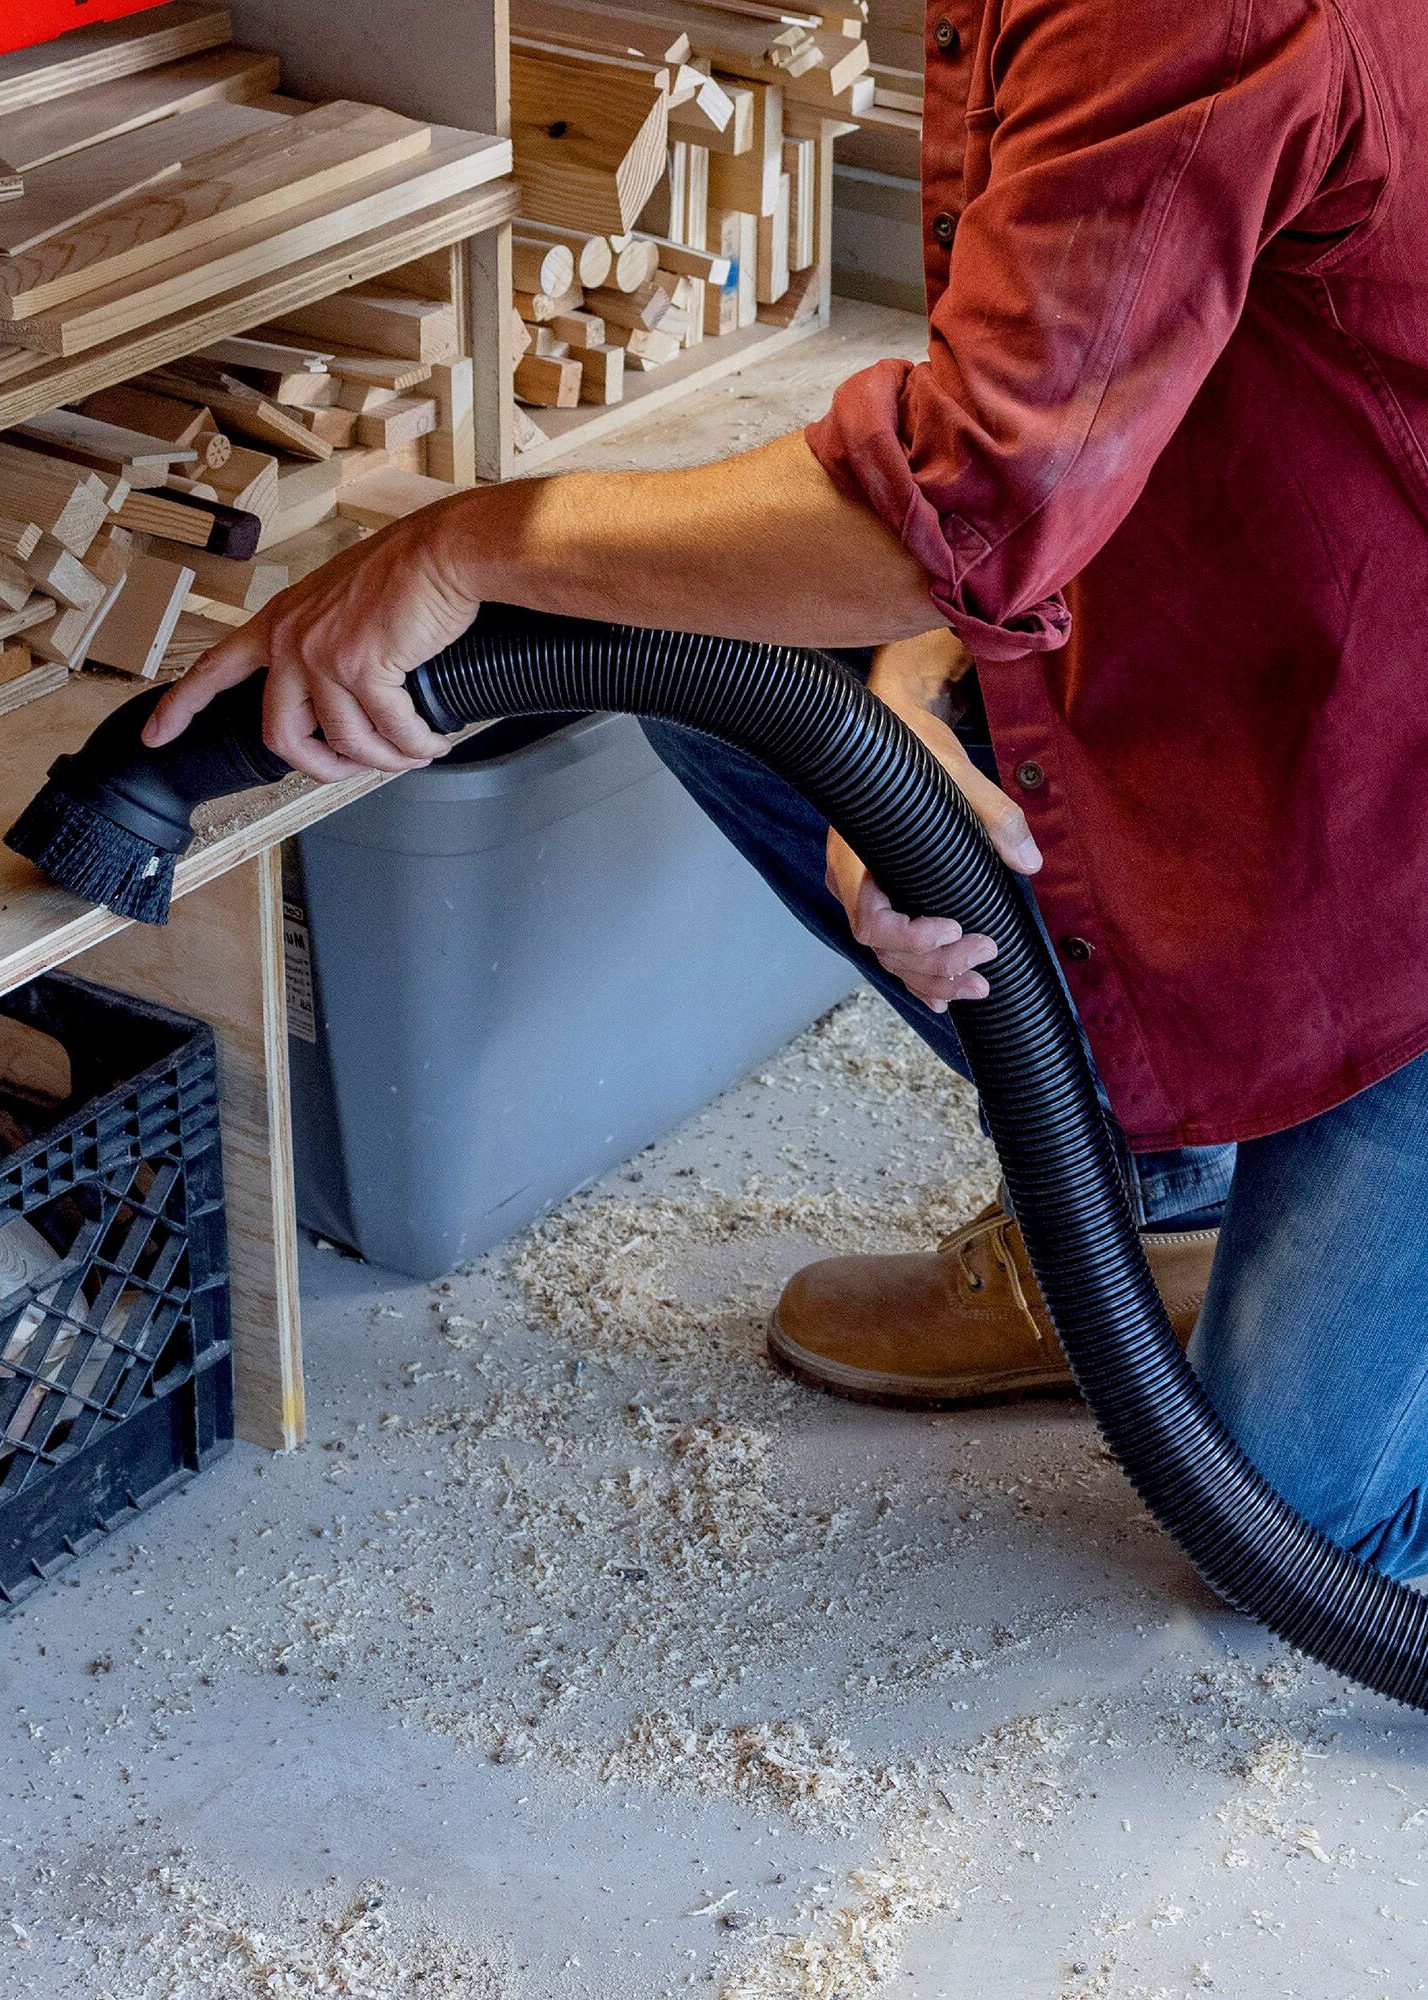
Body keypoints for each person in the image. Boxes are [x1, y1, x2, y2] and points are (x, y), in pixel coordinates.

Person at [148, 0, 1428, 1576]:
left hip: (1407, 817)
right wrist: (924, 672)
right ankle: (1147, 1216)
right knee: (730, 667)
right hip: (1306, 645)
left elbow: (948, 509)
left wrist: (457, 545)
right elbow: (1052, 396)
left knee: (1302, 1526)